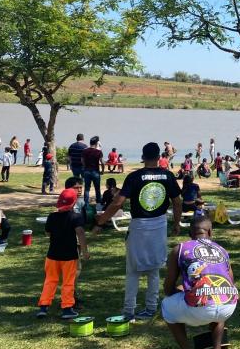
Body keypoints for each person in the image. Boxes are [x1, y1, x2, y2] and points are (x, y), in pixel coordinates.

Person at [94, 142, 182, 321]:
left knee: (133, 270)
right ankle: (151, 308)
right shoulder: (167, 176)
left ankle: (129, 311)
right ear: (159, 157)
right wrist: (177, 223)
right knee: (154, 269)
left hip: (139, 225)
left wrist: (101, 221)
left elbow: (118, 203)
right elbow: (177, 201)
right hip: (159, 224)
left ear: (142, 157)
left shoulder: (134, 177)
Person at [162, 215, 237, 349]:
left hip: (199, 308)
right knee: (218, 297)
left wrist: (182, 289)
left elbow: (168, 290)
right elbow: (231, 282)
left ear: (190, 233)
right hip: (228, 306)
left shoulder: (180, 249)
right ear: (210, 232)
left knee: (166, 306)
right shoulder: (222, 250)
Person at [36, 189, 88, 319]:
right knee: (68, 282)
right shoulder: (76, 217)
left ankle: (43, 307)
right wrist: (85, 251)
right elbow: (80, 233)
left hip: (52, 255)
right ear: (74, 202)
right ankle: (67, 308)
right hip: (69, 256)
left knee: (50, 280)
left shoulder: (52, 216)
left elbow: (47, 233)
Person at [82, 136, 104, 208]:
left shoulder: (85, 151)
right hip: (95, 171)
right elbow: (102, 162)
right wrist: (102, 170)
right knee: (97, 188)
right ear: (97, 143)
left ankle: (86, 204)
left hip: (87, 171)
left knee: (87, 188)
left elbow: (82, 161)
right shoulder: (99, 152)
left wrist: (85, 167)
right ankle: (98, 203)